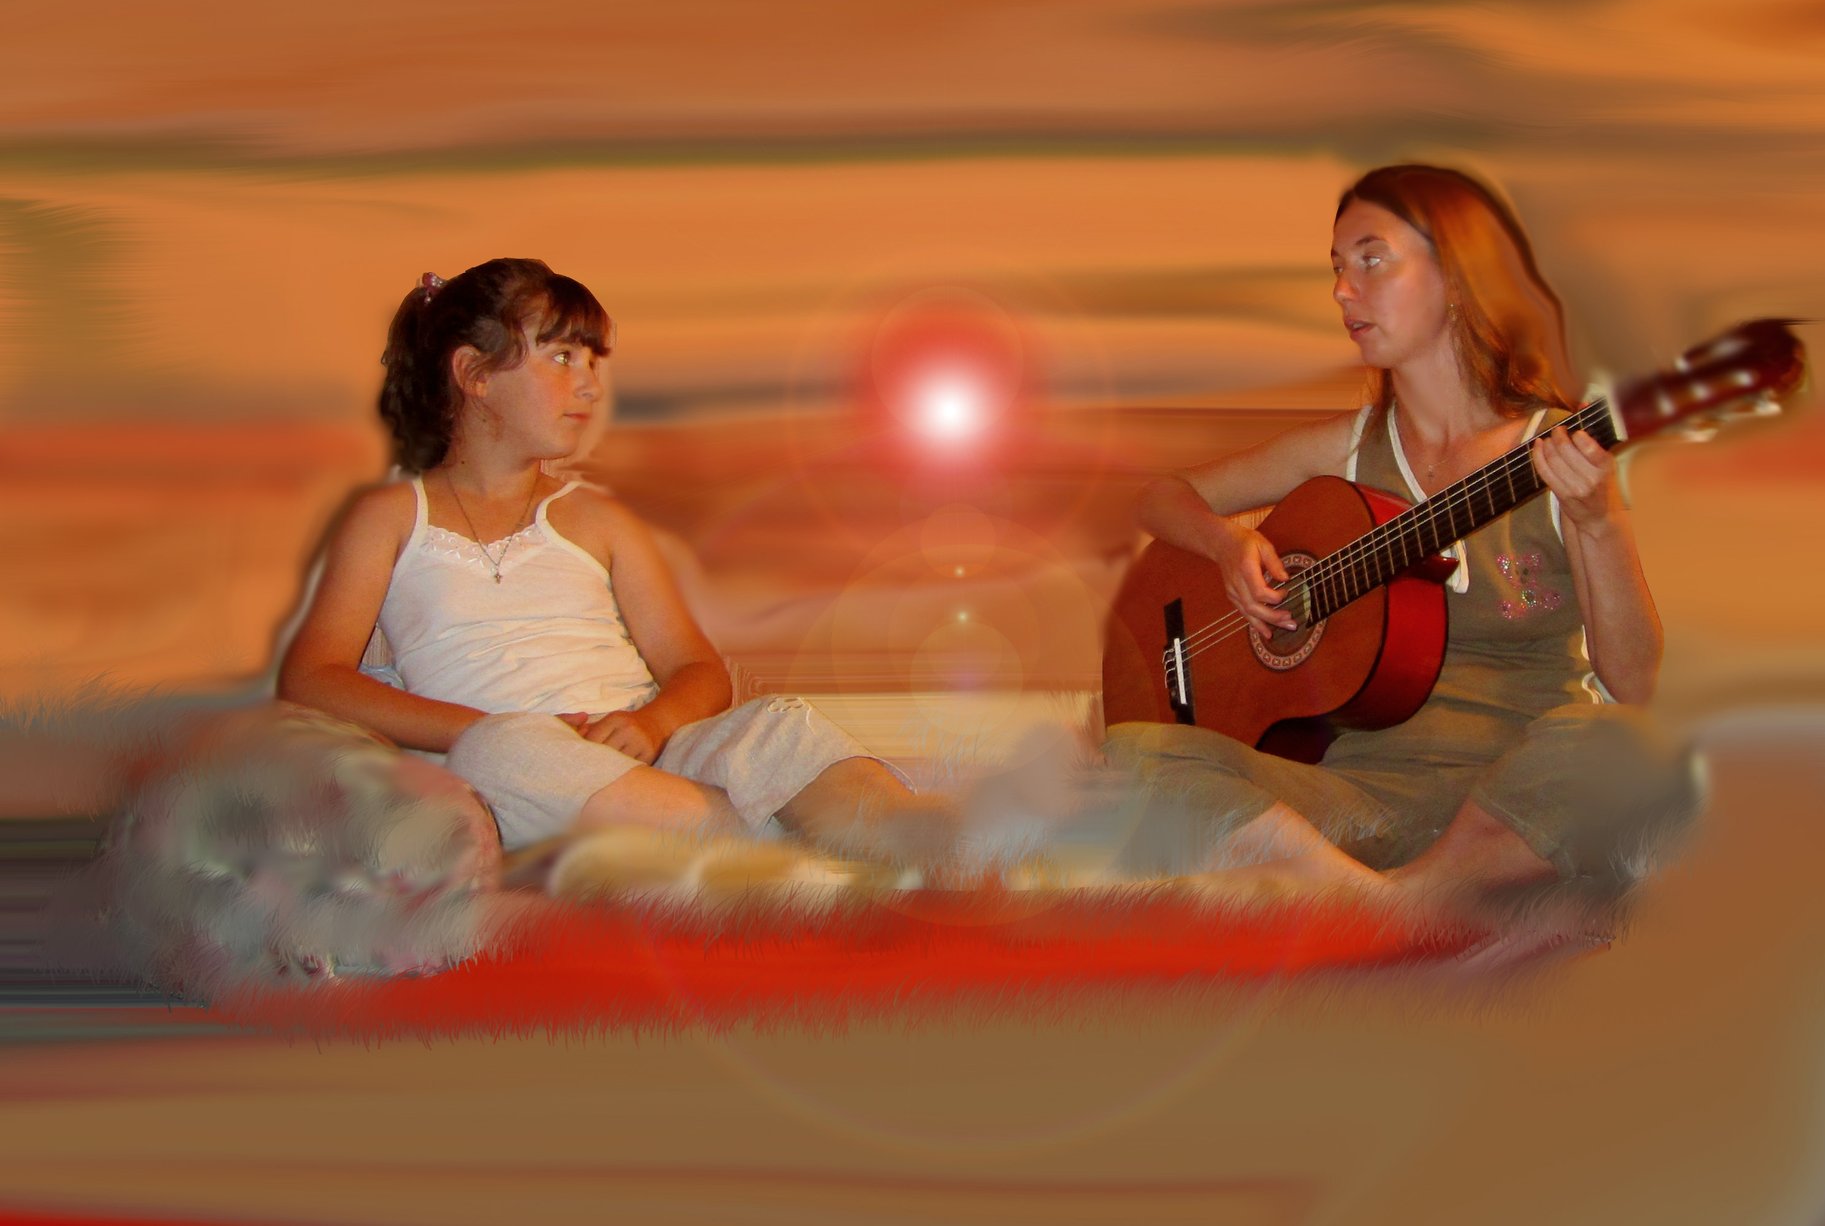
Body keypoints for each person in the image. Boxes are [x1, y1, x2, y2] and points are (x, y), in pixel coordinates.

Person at [1104, 165, 1695, 914]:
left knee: (1623, 748)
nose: (1342, 291)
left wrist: (1596, 521)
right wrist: (1225, 547)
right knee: (1133, 753)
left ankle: (1383, 904)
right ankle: (1400, 909)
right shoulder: (1350, 449)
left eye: (1371, 260)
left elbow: (1633, 683)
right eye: (1337, 267)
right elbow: (1157, 496)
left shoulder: (1557, 452)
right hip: (1355, 801)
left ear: (1456, 274)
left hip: (1510, 805)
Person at [279, 258, 954, 867]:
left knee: (773, 725)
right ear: (475, 375)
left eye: (592, 363)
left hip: (648, 752)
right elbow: (314, 678)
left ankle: (928, 849)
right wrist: (477, 729)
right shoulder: (391, 518)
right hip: (521, 774)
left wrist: (651, 725)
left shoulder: (598, 520)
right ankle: (778, 856)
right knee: (501, 755)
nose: (589, 386)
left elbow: (697, 670)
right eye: (562, 358)